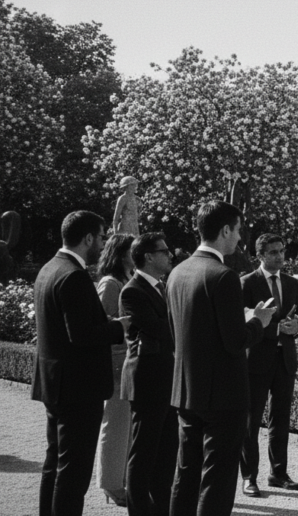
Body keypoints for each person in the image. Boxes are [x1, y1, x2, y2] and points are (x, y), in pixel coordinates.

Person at [166, 201, 275, 516]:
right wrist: (258, 320)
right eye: (239, 230)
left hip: (186, 389)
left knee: (185, 473)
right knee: (218, 478)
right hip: (224, 395)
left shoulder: (177, 271)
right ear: (225, 230)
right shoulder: (223, 276)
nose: (239, 237)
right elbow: (236, 341)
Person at [32, 210, 130, 516]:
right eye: (101, 237)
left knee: (55, 463)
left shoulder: (50, 267)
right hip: (78, 387)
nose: (103, 244)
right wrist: (120, 327)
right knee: (73, 473)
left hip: (55, 382)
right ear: (87, 238)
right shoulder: (73, 275)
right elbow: (82, 334)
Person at [239, 233, 298, 497]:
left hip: (284, 360)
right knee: (251, 421)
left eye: (282, 251)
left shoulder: (291, 283)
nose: (280, 256)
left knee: (280, 420)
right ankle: (249, 477)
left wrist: (296, 325)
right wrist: (274, 329)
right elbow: (243, 323)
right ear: (260, 255)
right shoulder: (246, 283)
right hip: (256, 361)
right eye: (273, 252)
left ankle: (278, 473)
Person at [121, 232, 177, 516]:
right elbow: (157, 328)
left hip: (166, 379)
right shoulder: (132, 290)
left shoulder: (162, 286)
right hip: (147, 381)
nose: (170, 255)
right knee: (143, 454)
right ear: (148, 257)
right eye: (164, 251)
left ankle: (160, 509)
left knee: (166, 453)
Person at [95, 233, 137, 506]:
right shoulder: (110, 284)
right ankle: (110, 484)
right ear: (122, 254)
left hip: (127, 362)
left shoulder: (126, 279)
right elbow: (101, 325)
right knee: (116, 425)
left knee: (125, 427)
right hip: (116, 364)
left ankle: (120, 480)